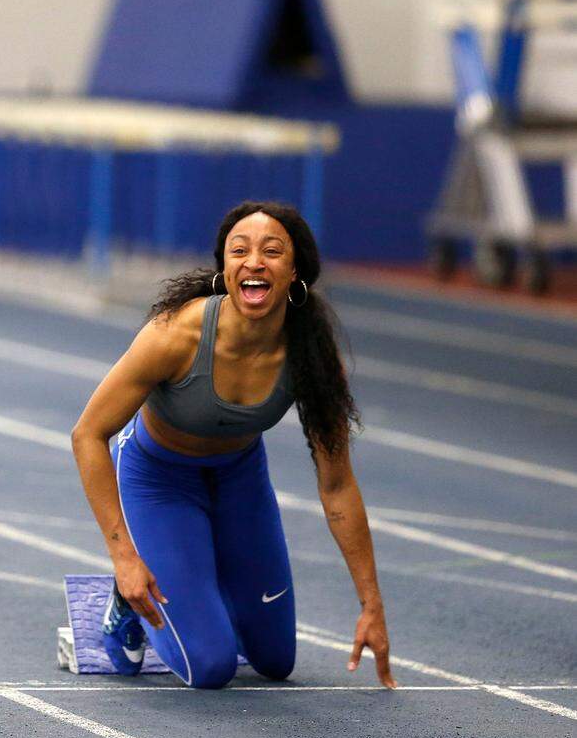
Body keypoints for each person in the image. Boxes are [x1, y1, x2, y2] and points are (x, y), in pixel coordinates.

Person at [71, 200, 396, 690]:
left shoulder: (310, 353)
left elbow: (337, 486)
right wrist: (124, 559)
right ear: (224, 268)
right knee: (211, 667)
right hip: (159, 479)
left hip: (239, 477)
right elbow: (88, 434)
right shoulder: (175, 335)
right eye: (239, 250)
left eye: (272, 251)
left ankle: (197, 588)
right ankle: (126, 606)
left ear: (295, 272)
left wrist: (371, 604)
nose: (254, 262)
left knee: (274, 660)